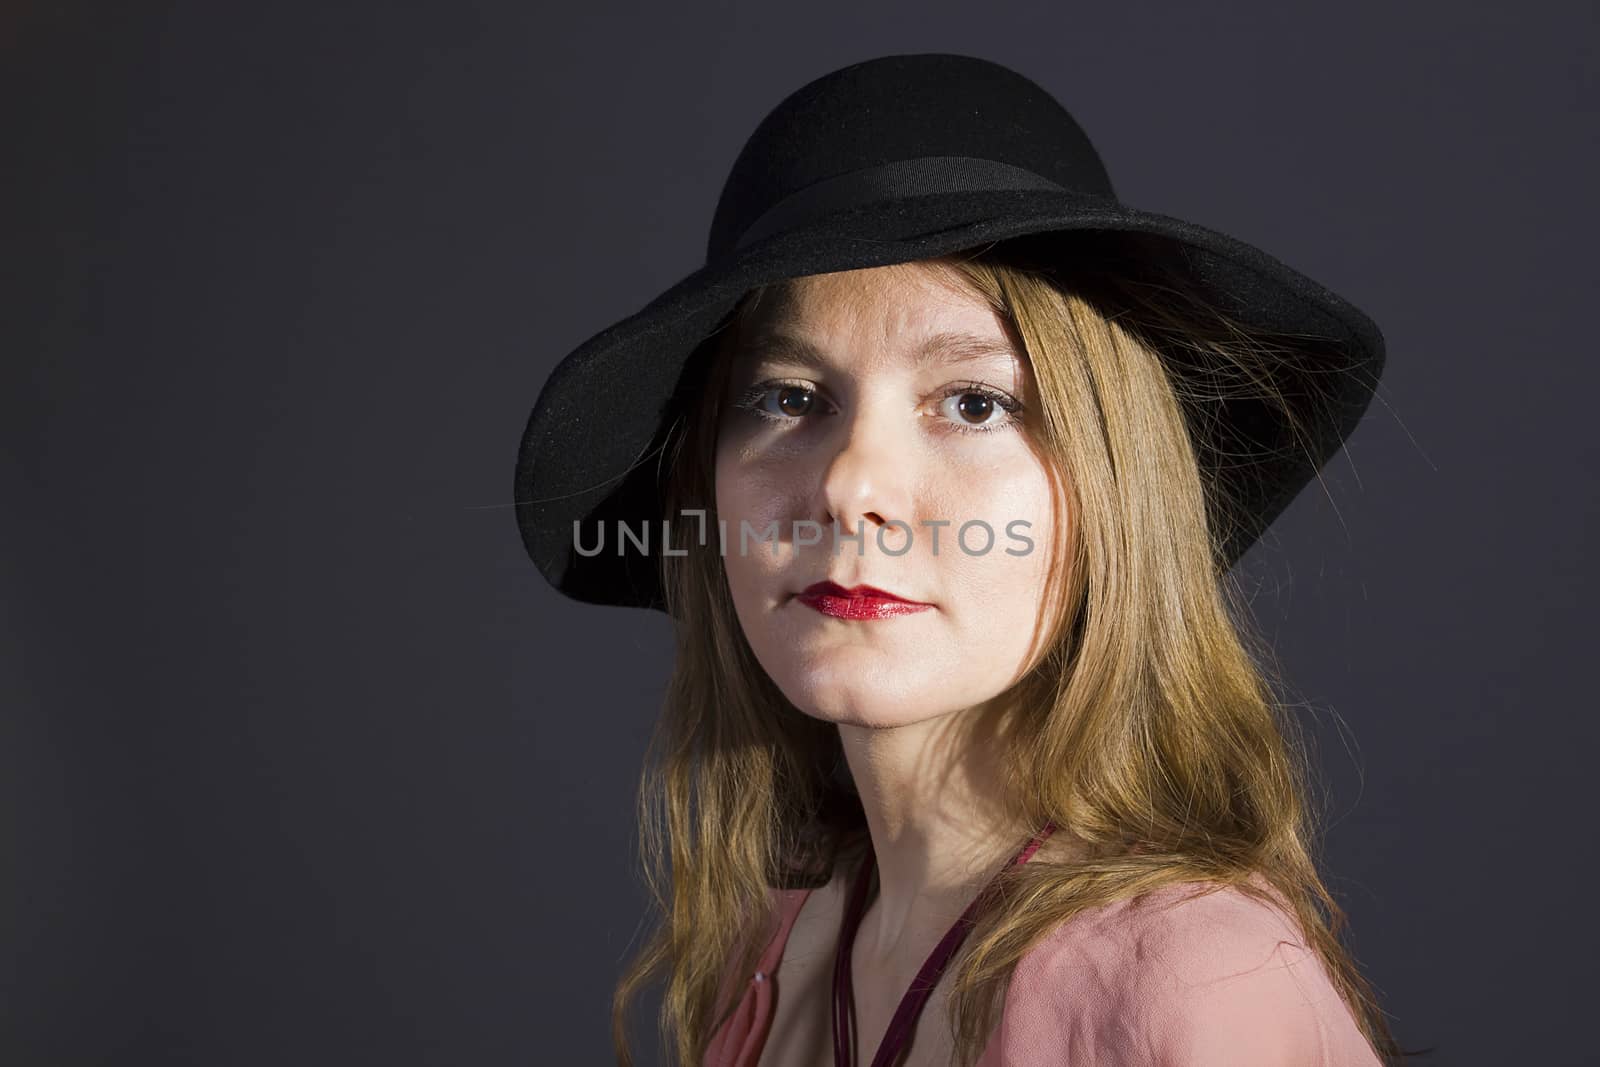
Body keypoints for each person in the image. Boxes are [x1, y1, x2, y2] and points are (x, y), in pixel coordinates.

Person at [513, 54, 1419, 1067]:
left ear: (1111, 487)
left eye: (973, 402)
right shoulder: (778, 937)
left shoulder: (1186, 983)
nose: (852, 484)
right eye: (786, 397)